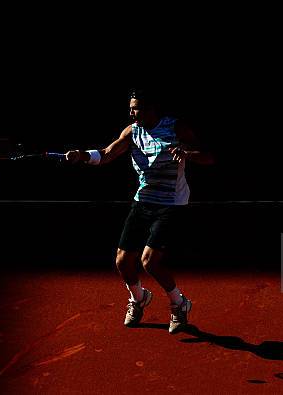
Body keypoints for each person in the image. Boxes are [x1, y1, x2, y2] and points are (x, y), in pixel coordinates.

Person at [65, 89, 214, 334]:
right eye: (131, 107)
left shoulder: (176, 128)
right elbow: (106, 154)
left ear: (151, 108)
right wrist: (82, 156)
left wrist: (187, 154)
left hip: (171, 203)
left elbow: (208, 157)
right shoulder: (132, 131)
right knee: (122, 261)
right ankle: (139, 298)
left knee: (149, 261)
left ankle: (179, 303)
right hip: (143, 200)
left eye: (136, 107)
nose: (131, 112)